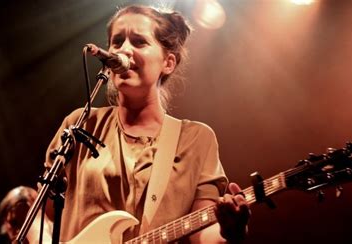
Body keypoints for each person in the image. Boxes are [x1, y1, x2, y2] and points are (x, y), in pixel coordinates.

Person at [38, 4, 250, 243]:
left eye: (139, 42)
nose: (124, 50)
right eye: (117, 42)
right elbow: (43, 215)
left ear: (168, 63)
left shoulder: (196, 139)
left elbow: (202, 232)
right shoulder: (81, 124)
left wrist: (230, 231)